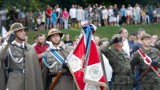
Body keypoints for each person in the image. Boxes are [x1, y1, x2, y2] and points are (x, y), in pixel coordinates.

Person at [0, 23, 43, 90]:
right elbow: (1, 57)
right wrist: (8, 42)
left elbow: (36, 69)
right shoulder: (8, 47)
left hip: (30, 81)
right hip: (14, 82)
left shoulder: (30, 48)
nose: (24, 33)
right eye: (20, 31)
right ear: (13, 33)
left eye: (24, 31)